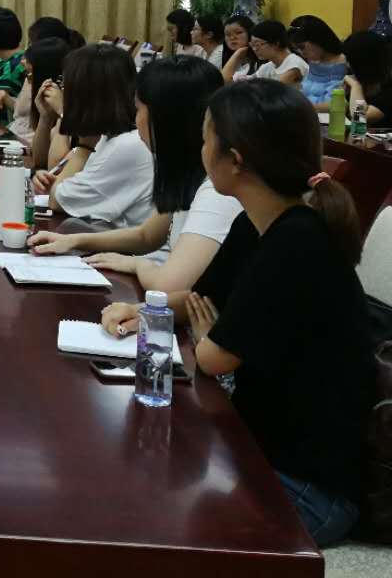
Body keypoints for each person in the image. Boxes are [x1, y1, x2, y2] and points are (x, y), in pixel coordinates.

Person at [114, 81, 371, 546]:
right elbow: (200, 300)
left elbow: (214, 357)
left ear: (235, 159)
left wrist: (207, 335)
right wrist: (143, 310)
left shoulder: (297, 241)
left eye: (206, 139)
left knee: (151, 518)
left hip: (305, 489)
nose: (200, 150)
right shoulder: (255, 223)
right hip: (255, 448)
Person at [30, 56, 239, 295]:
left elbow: (168, 286)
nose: (135, 118)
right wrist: (75, 241)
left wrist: (136, 264)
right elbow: (147, 235)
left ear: (164, 118)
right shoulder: (185, 171)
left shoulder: (216, 192)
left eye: (139, 109)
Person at [35, 43, 155, 232]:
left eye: (66, 86)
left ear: (85, 95)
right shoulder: (111, 135)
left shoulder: (126, 145)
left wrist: (84, 146)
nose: (63, 92)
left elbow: (58, 201)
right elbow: (58, 177)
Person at [9, 37, 71, 146]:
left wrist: (61, 112)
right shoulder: (40, 98)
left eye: (30, 74)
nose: (22, 62)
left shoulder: (63, 102)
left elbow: (55, 157)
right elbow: (38, 156)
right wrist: (45, 118)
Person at [289, 15, 348, 109]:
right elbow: (306, 90)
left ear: (317, 39)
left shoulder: (344, 62)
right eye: (296, 49)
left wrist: (302, 108)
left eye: (302, 47)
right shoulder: (313, 59)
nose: (301, 52)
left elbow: (337, 104)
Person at [343, 29, 392, 125]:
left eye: (349, 61)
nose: (347, 65)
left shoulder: (388, 90)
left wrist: (356, 86)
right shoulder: (354, 80)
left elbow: (359, 119)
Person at [242, 20, 309, 86]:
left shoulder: (294, 66)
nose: (255, 49)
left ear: (276, 43)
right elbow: (247, 84)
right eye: (252, 45)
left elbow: (276, 91)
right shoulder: (268, 67)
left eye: (257, 44)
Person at [220, 14, 258, 81]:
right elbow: (222, 82)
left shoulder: (261, 60)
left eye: (238, 33)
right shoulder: (223, 57)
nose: (232, 38)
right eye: (228, 34)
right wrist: (237, 53)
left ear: (250, 33)